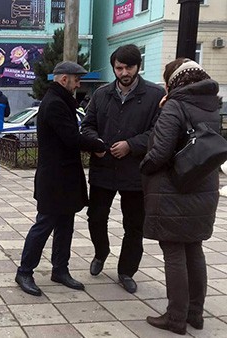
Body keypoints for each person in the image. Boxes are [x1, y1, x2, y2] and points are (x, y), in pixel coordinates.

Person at [140, 59, 220, 335]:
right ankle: (195, 314)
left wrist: (144, 166)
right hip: (203, 189)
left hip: (174, 192)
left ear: (173, 81)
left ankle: (175, 317)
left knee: (174, 252)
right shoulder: (211, 105)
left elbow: (160, 152)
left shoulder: (175, 105)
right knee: (194, 250)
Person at [15, 61, 106, 296]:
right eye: (76, 80)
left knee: (66, 225)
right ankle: (24, 271)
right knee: (44, 225)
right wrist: (97, 145)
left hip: (66, 177)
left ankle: (60, 269)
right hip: (54, 178)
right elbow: (70, 137)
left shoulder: (62, 100)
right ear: (64, 79)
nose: (79, 84)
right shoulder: (55, 103)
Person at [80, 44, 165, 293]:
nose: (124, 72)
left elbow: (158, 132)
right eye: (119, 67)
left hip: (135, 172)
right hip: (103, 168)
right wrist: (95, 144)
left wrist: (131, 145)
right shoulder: (101, 94)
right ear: (113, 68)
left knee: (134, 225)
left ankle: (126, 271)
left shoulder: (153, 95)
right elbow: (87, 125)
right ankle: (101, 252)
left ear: (138, 67)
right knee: (95, 218)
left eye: (129, 67)